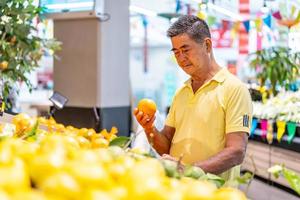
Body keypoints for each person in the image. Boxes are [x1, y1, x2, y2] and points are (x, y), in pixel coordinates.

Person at [134, 15, 253, 184]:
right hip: (180, 190)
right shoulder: (181, 92)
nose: (181, 58)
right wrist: (149, 128)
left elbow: (236, 151)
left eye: (186, 49)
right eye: (176, 52)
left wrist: (188, 170)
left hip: (214, 193)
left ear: (207, 45)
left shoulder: (234, 89)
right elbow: (166, 146)